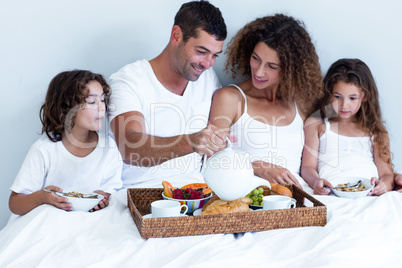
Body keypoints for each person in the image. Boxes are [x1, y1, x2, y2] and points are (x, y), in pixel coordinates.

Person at [109, 1, 228, 187]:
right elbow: (129, 148)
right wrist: (191, 142)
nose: (207, 63)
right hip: (140, 195)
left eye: (214, 55)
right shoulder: (129, 80)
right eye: (201, 52)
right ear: (176, 36)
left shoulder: (207, 78)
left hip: (195, 194)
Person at [208, 14, 323, 188]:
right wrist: (257, 166)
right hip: (249, 200)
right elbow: (212, 163)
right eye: (256, 58)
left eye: (272, 66)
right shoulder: (230, 98)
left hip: (297, 200)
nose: (259, 72)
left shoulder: (302, 104)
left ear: (290, 69)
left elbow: (343, 117)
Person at [9, 70, 123, 215]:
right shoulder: (44, 149)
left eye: (102, 100)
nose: (102, 108)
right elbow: (15, 204)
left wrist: (104, 197)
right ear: (66, 107)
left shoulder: (109, 148)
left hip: (90, 222)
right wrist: (41, 197)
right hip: (48, 221)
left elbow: (111, 193)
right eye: (92, 102)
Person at [301, 58, 394, 195]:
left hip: (369, 194)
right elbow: (308, 167)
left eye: (353, 98)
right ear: (329, 94)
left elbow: (386, 173)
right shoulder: (317, 124)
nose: (344, 105)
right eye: (338, 96)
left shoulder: (375, 129)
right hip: (332, 192)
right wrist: (316, 181)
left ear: (365, 97)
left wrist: (384, 185)